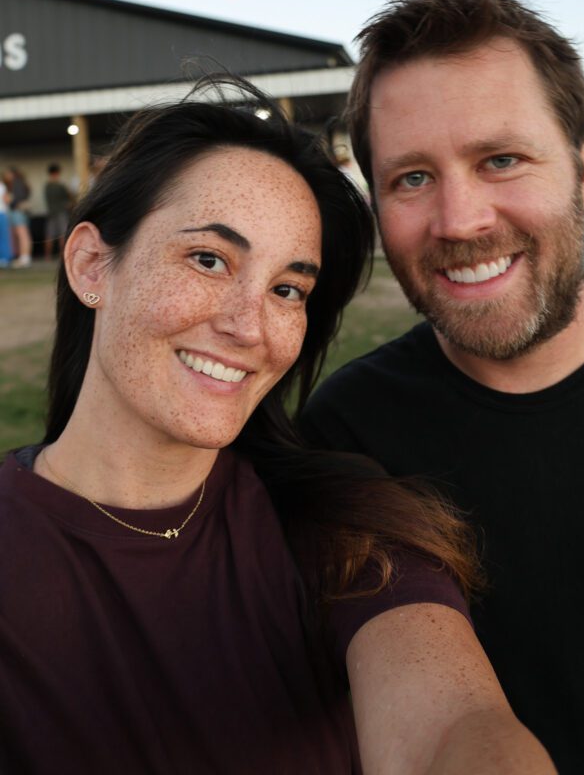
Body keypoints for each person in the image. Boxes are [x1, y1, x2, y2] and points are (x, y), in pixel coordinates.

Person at [0, 77, 555, 775]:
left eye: (287, 289)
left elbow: (454, 728)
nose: (248, 327)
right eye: (208, 259)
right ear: (90, 266)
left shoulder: (338, 527)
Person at [301, 0, 584, 774]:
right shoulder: (345, 435)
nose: (460, 220)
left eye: (501, 159)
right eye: (411, 178)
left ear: (581, 167)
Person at [5, 165, 33, 267]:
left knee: (23, 234)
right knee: (21, 234)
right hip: (19, 211)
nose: (6, 176)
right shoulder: (20, 183)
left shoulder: (17, 183)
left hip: (18, 211)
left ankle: (25, 257)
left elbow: (17, 198)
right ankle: (23, 256)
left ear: (12, 174)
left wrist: (9, 200)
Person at [43, 162, 72, 259]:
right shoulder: (60, 185)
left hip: (51, 213)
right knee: (62, 235)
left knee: (49, 235)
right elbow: (69, 199)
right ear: (57, 172)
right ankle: (63, 255)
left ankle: (47, 257)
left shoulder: (47, 186)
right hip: (61, 212)